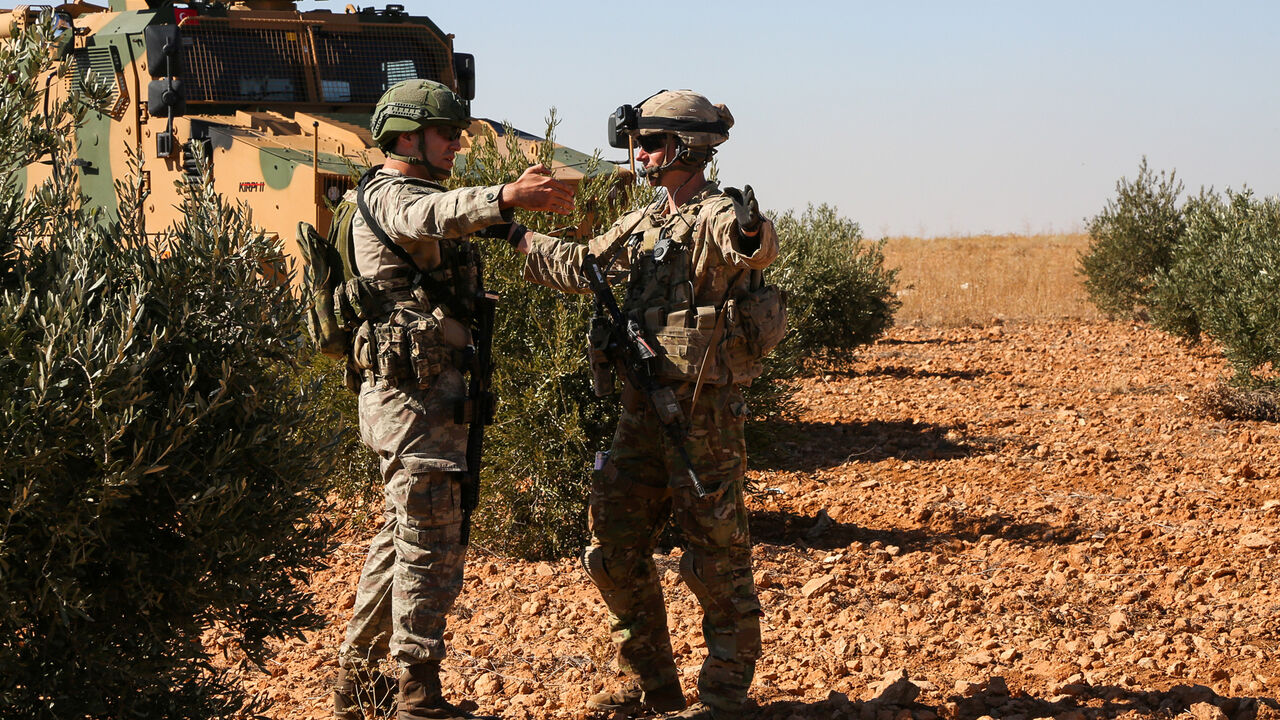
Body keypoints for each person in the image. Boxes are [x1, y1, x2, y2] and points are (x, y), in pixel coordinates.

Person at [514, 89, 782, 720]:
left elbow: (754, 244)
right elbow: (584, 266)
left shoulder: (717, 215)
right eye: (639, 141)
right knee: (611, 545)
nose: (640, 153)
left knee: (716, 557)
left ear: (687, 148)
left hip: (701, 417)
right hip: (641, 411)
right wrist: (514, 233)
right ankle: (652, 684)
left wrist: (751, 230)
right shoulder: (647, 221)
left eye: (653, 142)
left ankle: (722, 699)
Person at [332, 78, 575, 720]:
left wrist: (513, 215)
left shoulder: (414, 194)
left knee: (403, 536)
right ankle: (415, 691)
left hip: (426, 400)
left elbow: (448, 217)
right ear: (406, 136)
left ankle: (359, 684)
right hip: (411, 404)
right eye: (446, 133)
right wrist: (504, 195)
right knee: (432, 541)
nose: (457, 143)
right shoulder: (389, 194)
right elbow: (430, 215)